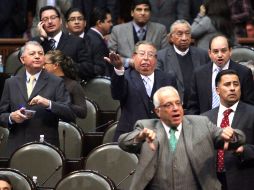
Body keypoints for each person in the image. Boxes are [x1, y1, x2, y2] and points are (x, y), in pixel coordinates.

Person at [118, 86, 245, 190]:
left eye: (178, 103)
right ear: (158, 111)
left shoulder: (201, 124)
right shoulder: (146, 126)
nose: (175, 108)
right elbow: (123, 142)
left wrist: (232, 135)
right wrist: (140, 136)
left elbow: (236, 139)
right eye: (168, 105)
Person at [0, 41, 75, 157]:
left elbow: (69, 114)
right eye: (32, 53)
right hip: (16, 146)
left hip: (45, 146)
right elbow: (1, 114)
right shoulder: (11, 83)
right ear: (22, 59)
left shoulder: (56, 82)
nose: (37, 56)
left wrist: (49, 103)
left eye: (40, 53)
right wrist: (11, 117)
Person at [106, 41, 177, 141]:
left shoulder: (167, 79)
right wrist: (118, 69)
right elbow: (117, 95)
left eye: (150, 55)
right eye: (142, 54)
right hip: (131, 135)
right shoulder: (124, 76)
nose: (146, 58)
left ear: (156, 59)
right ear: (134, 57)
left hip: (161, 136)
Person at [203, 69, 254, 190]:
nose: (232, 88)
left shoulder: (252, 113)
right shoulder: (205, 118)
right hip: (212, 181)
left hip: (243, 179)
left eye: (236, 84)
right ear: (217, 90)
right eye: (227, 84)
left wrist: (245, 150)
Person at [187, 34, 254, 115]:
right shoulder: (199, 74)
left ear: (230, 51)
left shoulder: (244, 72)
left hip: (234, 124)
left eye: (223, 51)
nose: (219, 55)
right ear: (209, 53)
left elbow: (249, 106)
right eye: (215, 51)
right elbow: (193, 107)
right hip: (205, 123)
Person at [157, 19, 209, 109]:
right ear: (171, 37)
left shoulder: (202, 55)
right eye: (179, 34)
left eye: (187, 33)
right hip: (173, 107)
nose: (184, 38)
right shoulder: (161, 56)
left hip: (199, 107)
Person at [34, 5, 94, 81]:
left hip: (68, 87)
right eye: (45, 19)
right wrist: (42, 38)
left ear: (61, 20)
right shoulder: (37, 42)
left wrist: (63, 66)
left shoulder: (76, 42)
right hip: (43, 87)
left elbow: (88, 69)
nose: (49, 21)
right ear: (40, 24)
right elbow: (22, 57)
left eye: (53, 17)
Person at [108, 0, 168, 68]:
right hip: (125, 71)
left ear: (150, 13)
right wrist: (129, 62)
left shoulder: (160, 30)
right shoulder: (118, 30)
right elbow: (111, 55)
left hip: (152, 72)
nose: (143, 13)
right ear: (132, 13)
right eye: (139, 10)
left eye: (146, 10)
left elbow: (165, 56)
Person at [44, 50, 87, 120]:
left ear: (55, 65)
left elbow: (83, 112)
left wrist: (62, 104)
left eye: (44, 64)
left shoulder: (73, 85)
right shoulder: (42, 83)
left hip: (65, 125)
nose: (42, 67)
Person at [86, 7, 114, 77]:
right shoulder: (96, 41)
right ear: (99, 23)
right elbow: (101, 68)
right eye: (109, 21)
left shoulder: (91, 36)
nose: (111, 24)